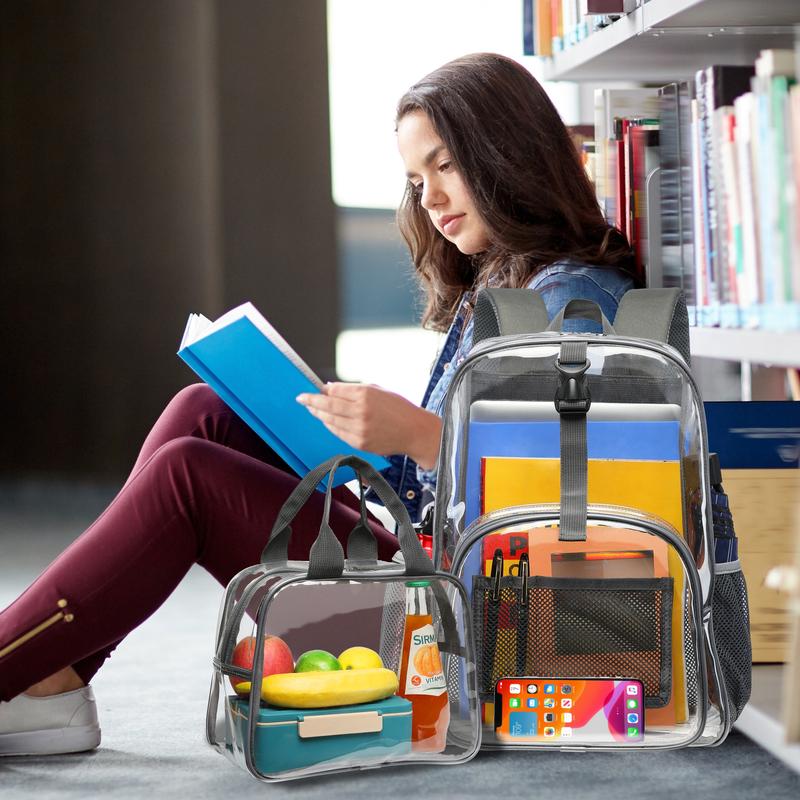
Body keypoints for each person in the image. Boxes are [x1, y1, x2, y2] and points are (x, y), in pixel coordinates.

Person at [0, 52, 635, 756]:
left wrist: (421, 435)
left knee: (188, 476)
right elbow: (450, 495)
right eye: (415, 179)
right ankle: (49, 679)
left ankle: (16, 667)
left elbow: (579, 499)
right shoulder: (509, 285)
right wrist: (350, 436)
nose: (428, 199)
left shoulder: (574, 303)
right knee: (202, 412)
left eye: (445, 165)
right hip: (436, 584)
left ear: (506, 153)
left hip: (470, 637)